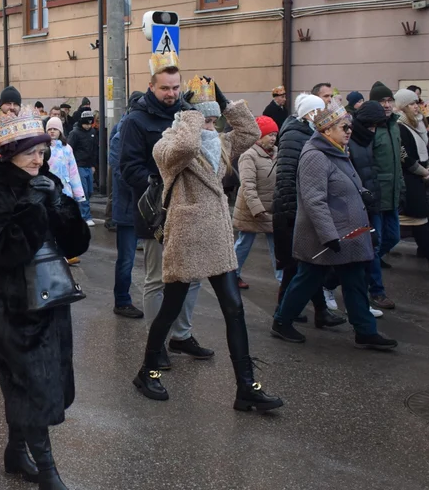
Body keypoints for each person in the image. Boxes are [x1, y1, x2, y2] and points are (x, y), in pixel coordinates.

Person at [133, 79, 282, 410]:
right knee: (170, 309)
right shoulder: (167, 144)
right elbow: (184, 150)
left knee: (234, 308)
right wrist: (190, 116)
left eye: (214, 120)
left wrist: (226, 102)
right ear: (189, 116)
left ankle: (247, 387)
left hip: (216, 236)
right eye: (206, 119)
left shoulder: (220, 143)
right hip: (186, 236)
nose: (211, 126)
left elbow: (250, 134)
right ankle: (148, 371)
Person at [0, 107, 90, 490]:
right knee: (32, 385)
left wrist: (59, 203)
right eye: (29, 153)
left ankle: (14, 451)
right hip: (12, 306)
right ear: (8, 153)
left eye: (42, 151)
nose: (38, 160)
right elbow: (7, 251)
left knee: (35, 381)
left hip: (50, 299)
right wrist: (35, 210)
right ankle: (50, 478)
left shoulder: (46, 181)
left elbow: (75, 244)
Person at [272, 101, 398, 350]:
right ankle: (282, 321)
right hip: (325, 236)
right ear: (327, 130)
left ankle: (365, 330)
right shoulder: (314, 156)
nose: (349, 130)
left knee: (355, 281)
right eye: (343, 126)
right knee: (306, 279)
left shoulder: (338, 148)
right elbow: (314, 200)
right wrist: (329, 235)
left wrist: (363, 194)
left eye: (349, 126)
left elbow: (346, 183)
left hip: (347, 233)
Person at [119, 53, 207, 366]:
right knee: (158, 280)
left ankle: (181, 336)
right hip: (156, 212)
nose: (171, 93)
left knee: (192, 277)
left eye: (175, 87)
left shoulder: (188, 114)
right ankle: (156, 346)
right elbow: (128, 168)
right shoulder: (136, 121)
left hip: (189, 210)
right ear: (151, 87)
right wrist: (160, 183)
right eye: (164, 88)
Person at [273, 93, 346, 326]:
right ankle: (282, 314)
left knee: (309, 264)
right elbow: (286, 177)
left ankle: (316, 312)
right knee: (298, 265)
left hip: (300, 208)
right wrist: (294, 212)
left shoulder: (306, 133)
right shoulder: (296, 135)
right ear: (308, 114)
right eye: (317, 111)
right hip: (293, 210)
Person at [108, 92, 146, 319]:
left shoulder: (134, 128)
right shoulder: (123, 132)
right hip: (128, 207)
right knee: (126, 259)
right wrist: (146, 184)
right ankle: (122, 301)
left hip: (139, 205)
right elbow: (121, 170)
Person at [393, 89, 429, 275]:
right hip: (409, 179)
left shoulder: (418, 125)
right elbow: (404, 155)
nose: (416, 107)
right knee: (417, 220)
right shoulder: (399, 126)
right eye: (412, 104)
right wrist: (423, 172)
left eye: (416, 103)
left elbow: (426, 151)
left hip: (421, 178)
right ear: (403, 107)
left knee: (420, 220)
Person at [366, 82, 402, 310]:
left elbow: (399, 162)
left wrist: (402, 191)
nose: (387, 105)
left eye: (390, 101)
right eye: (382, 102)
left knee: (393, 237)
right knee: (375, 245)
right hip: (376, 197)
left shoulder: (395, 127)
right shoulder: (369, 128)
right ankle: (376, 291)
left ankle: (343, 276)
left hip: (393, 195)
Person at [233, 115, 281, 285]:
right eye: (270, 134)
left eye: (275, 135)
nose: (273, 138)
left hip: (272, 209)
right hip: (252, 211)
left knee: (278, 247)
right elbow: (247, 185)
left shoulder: (277, 154)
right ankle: (232, 275)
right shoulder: (249, 155)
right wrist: (257, 209)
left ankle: (282, 282)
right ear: (259, 136)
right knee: (244, 243)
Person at [45, 116, 86, 252]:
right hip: (49, 190)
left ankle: (66, 250)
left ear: (60, 131)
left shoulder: (67, 149)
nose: (52, 132)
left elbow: (73, 171)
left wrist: (79, 194)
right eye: (49, 129)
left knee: (65, 221)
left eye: (55, 129)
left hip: (66, 190)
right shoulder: (44, 148)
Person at [66, 110, 98, 226]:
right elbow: (69, 150)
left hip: (89, 166)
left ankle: (77, 211)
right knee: (83, 191)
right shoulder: (74, 134)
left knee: (89, 191)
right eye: (86, 124)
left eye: (90, 124)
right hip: (78, 166)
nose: (88, 126)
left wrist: (94, 165)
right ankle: (86, 216)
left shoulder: (93, 132)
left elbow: (95, 150)